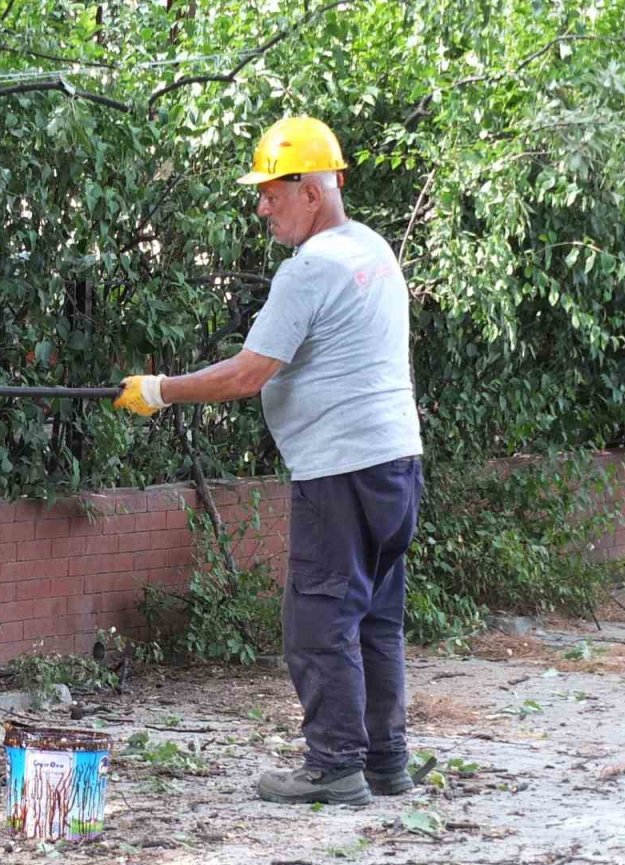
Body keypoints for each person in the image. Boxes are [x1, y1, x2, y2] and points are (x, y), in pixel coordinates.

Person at [114, 117, 424, 806]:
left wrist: (159, 391)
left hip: (339, 469)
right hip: (395, 461)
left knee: (318, 619)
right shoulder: (371, 248)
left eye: (271, 192)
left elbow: (247, 375)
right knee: (374, 614)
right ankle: (385, 761)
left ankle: (334, 765)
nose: (261, 207)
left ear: (312, 190)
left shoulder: (309, 269)